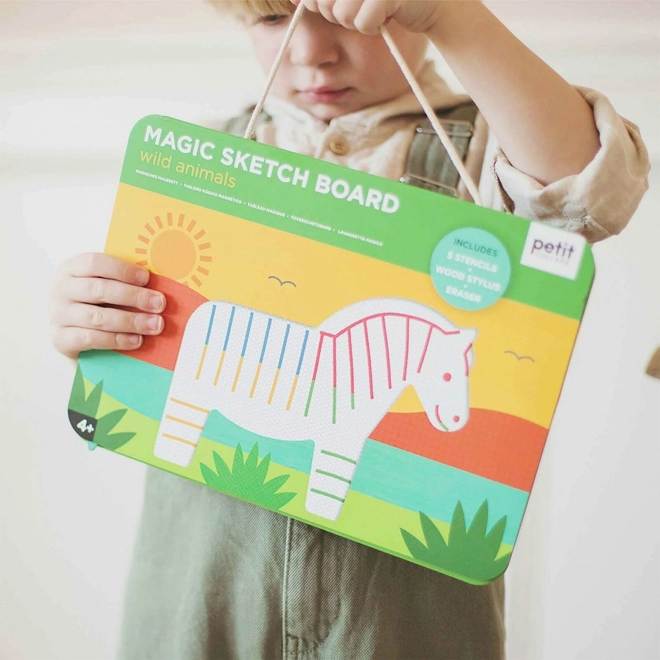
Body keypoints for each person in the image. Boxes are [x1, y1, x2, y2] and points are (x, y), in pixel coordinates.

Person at [49, 1, 650, 658]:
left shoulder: (491, 146)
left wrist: (453, 16)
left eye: (347, 10)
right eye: (273, 16)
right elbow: (146, 347)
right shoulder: (199, 158)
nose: (312, 52)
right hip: (204, 586)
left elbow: (588, 191)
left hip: (404, 607)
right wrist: (97, 319)